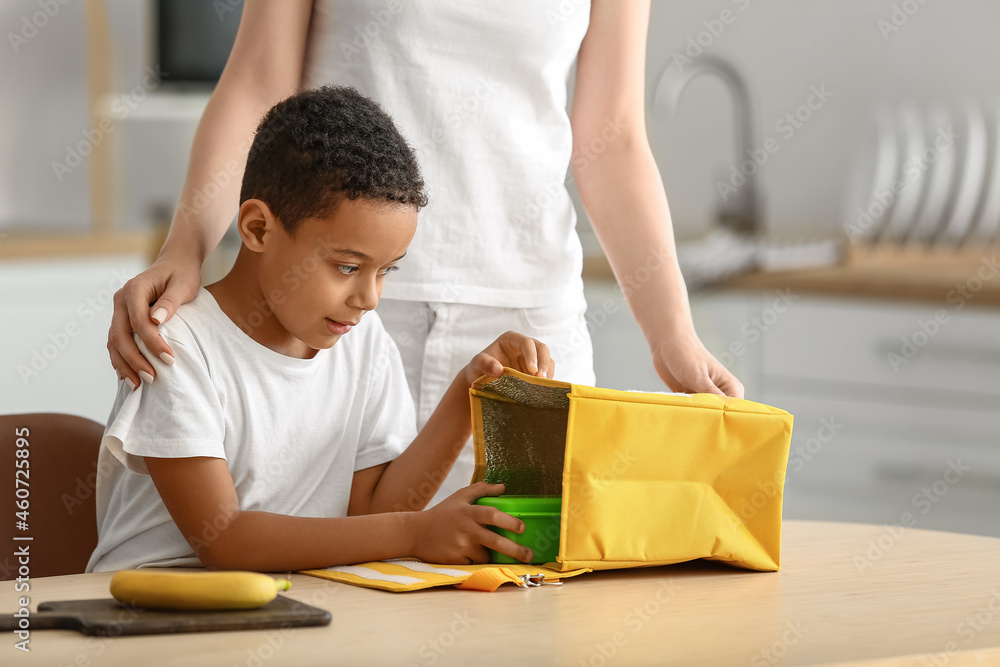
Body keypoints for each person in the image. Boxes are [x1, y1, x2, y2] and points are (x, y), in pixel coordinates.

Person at [107, 0, 743, 508]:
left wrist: (672, 335)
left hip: (528, 324)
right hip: (353, 319)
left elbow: (613, 138)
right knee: (345, 591)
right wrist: (186, 247)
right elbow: (257, 85)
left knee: (536, 591)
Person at [87, 86, 553, 573]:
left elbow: (371, 514)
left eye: (386, 270)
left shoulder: (364, 344)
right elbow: (225, 541)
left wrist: (467, 394)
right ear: (258, 229)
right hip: (149, 619)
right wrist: (416, 533)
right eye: (348, 267)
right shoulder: (178, 346)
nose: (369, 298)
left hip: (288, 608)